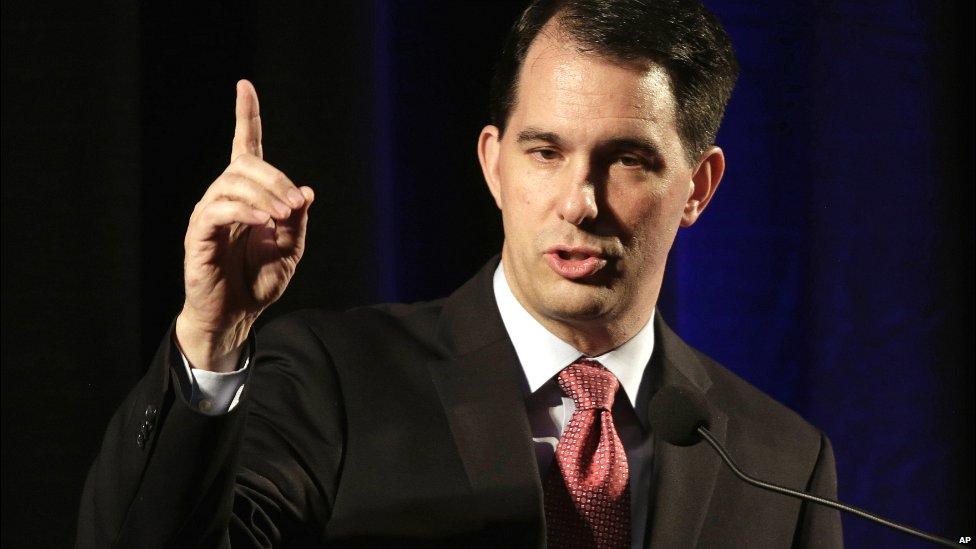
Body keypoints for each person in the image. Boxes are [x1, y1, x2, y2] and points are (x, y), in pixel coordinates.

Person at [78, 0, 843, 547]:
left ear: (698, 189)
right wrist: (211, 340)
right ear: (493, 165)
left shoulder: (780, 460)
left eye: (629, 160)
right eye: (545, 152)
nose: (579, 202)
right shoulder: (334, 381)